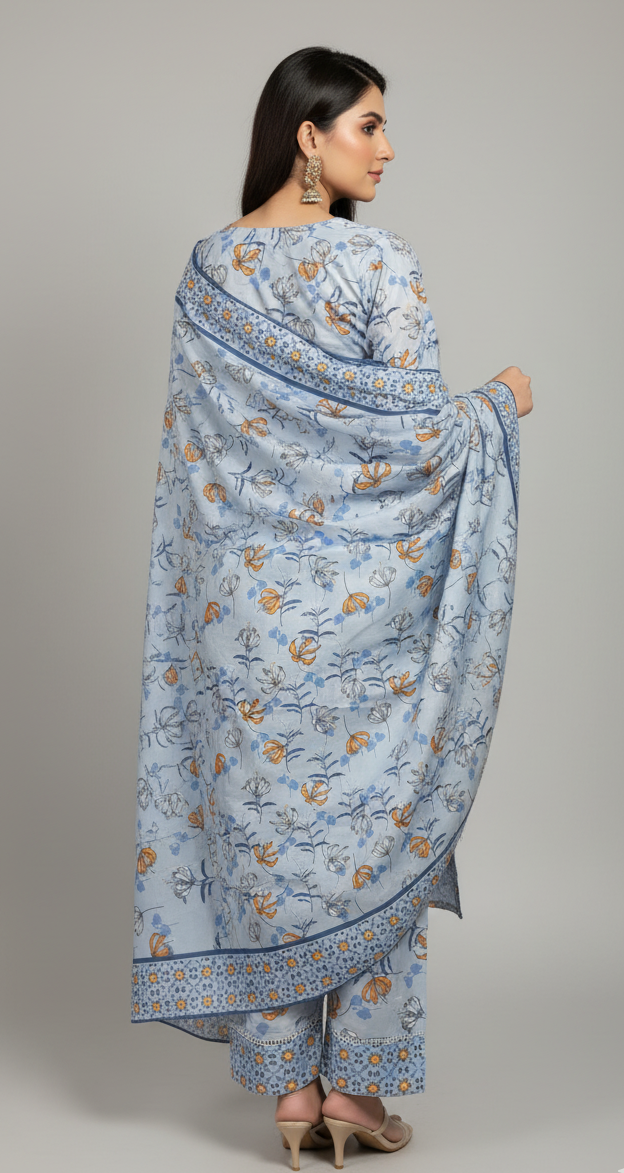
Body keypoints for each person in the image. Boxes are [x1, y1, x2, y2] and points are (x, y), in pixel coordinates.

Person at [131, 46, 532, 1170]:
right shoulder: (378, 264)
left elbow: (200, 476)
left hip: (241, 627)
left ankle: (291, 1096)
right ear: (308, 136)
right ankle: (355, 1092)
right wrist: (501, 403)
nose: (389, 148)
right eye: (369, 125)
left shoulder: (208, 273)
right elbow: (412, 444)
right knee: (374, 831)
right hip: (364, 624)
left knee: (267, 839)